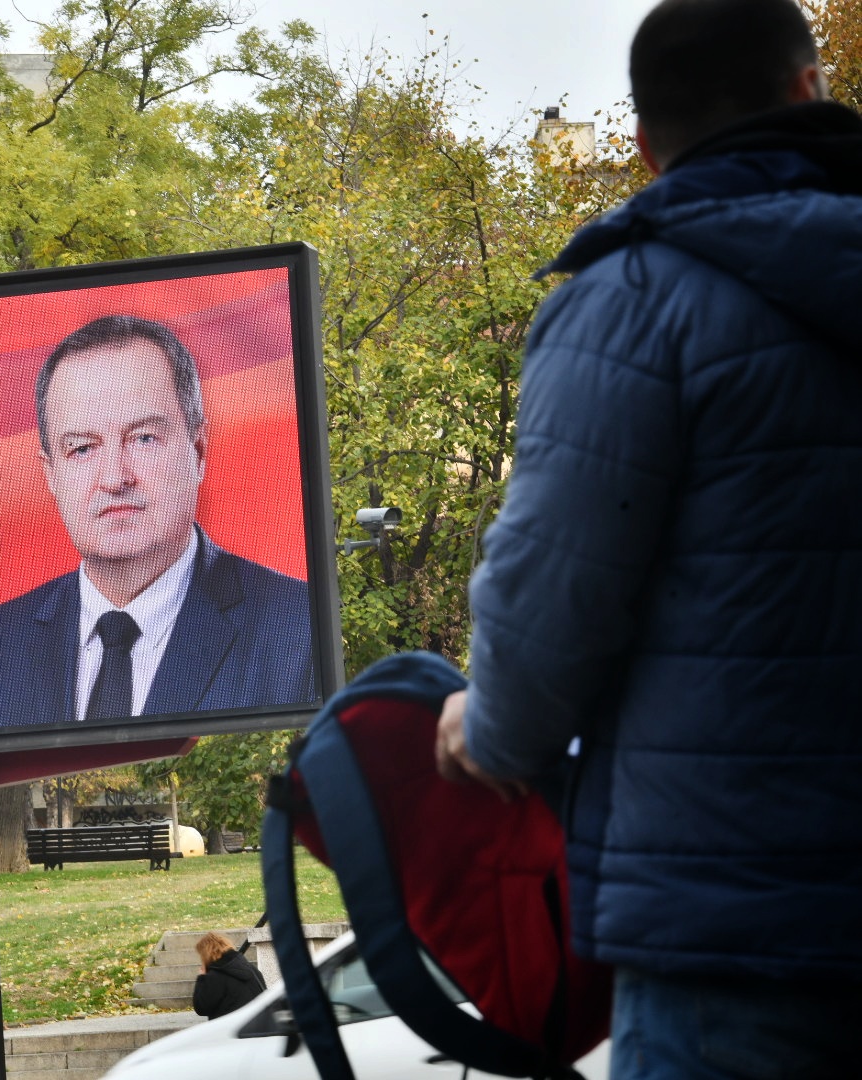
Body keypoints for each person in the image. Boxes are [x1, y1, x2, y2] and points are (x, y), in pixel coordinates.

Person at [434, 1, 862, 1075]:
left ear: (642, 144)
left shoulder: (631, 303)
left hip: (735, 932)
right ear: (809, 89)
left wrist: (489, 733)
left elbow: (551, 594)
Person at [0, 314, 314, 733]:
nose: (114, 478)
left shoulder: (297, 629)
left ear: (199, 451)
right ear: (51, 476)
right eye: (82, 449)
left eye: (144, 438)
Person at [192, 932, 267, 1020]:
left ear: (205, 954)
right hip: (259, 1024)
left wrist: (201, 979)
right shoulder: (251, 969)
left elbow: (201, 1008)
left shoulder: (214, 977)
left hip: (230, 1028)